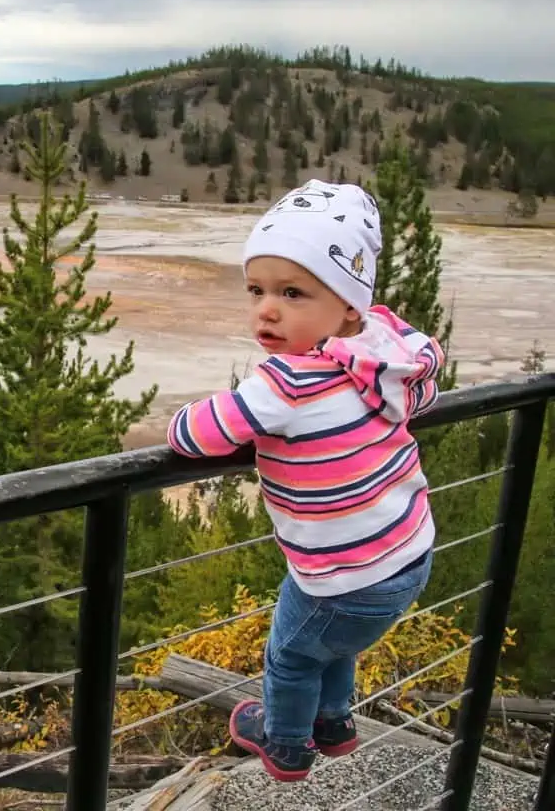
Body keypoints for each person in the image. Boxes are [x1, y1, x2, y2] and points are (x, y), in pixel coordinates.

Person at [166, 178, 445, 782]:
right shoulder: (380, 358)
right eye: (257, 290)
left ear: (347, 304)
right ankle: (334, 721)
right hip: (408, 552)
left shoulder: (288, 381)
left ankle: (287, 742)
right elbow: (424, 387)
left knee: (291, 655)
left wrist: (184, 416)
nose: (267, 308)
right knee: (334, 643)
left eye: (292, 293)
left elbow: (199, 435)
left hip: (341, 574)